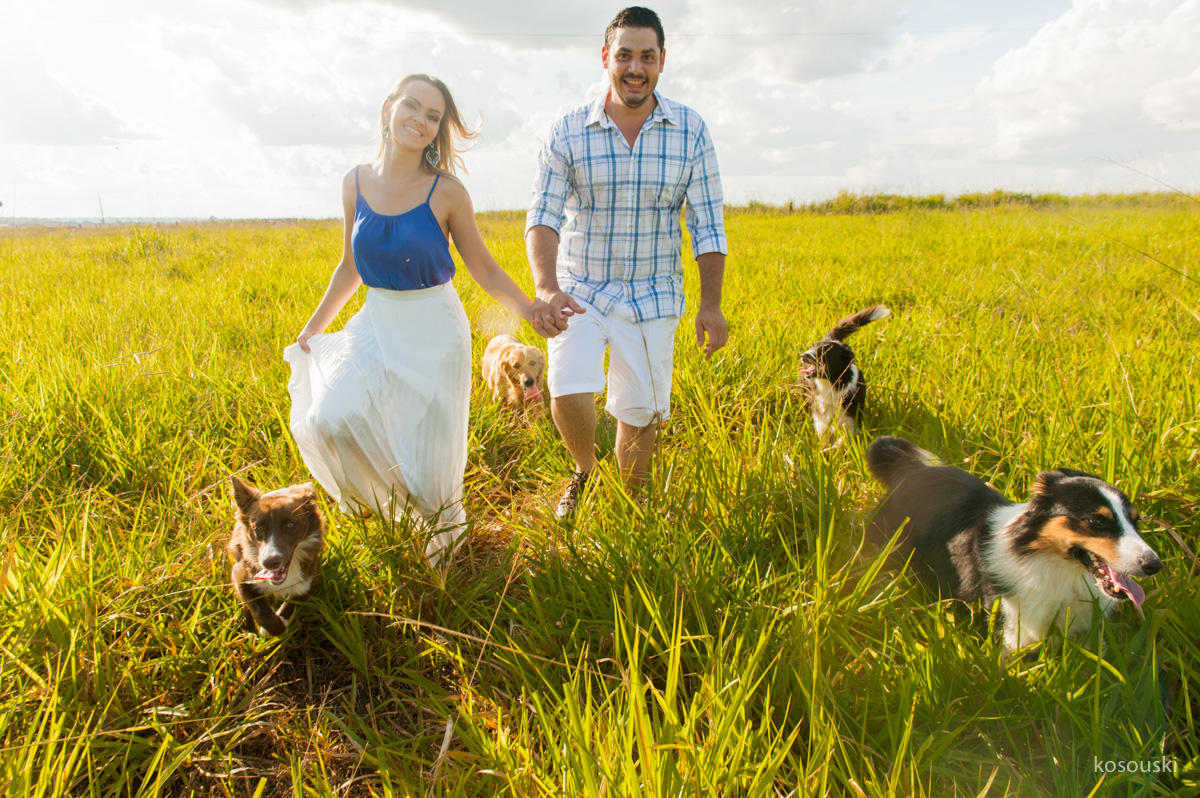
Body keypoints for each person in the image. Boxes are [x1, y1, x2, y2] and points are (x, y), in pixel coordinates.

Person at [285, 74, 544, 565]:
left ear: (439, 130)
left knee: (429, 464)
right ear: (389, 108)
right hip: (378, 322)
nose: (420, 121)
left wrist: (529, 310)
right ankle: (391, 514)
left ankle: (447, 557)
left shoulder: (447, 192)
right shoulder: (354, 182)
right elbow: (350, 267)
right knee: (329, 419)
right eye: (413, 106)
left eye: (433, 116)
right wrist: (314, 327)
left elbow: (483, 268)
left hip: (435, 331)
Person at [525, 6, 729, 519]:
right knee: (569, 383)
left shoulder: (690, 130)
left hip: (653, 290)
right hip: (581, 287)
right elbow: (542, 216)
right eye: (624, 55)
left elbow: (707, 223)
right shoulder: (568, 130)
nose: (634, 67)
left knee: (641, 412)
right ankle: (586, 472)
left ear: (662, 61)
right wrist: (547, 287)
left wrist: (711, 305)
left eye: (646, 56)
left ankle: (632, 507)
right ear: (605, 58)